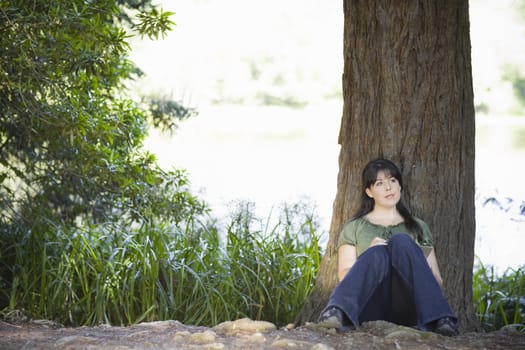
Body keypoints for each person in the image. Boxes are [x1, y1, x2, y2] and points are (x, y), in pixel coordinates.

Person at [317, 159, 459, 336]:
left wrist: (413, 257)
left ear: (400, 186)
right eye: (379, 183)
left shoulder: (418, 227)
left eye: (392, 180)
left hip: (409, 306)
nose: (388, 188)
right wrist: (368, 253)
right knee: (376, 252)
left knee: (402, 241)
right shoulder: (354, 227)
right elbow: (344, 275)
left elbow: (437, 280)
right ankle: (336, 312)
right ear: (369, 192)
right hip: (370, 304)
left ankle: (442, 319)